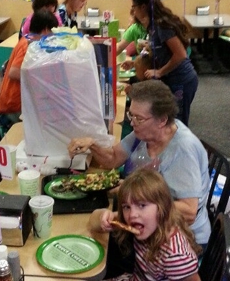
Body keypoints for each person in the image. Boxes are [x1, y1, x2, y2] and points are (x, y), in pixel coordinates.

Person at [68, 80, 211, 249]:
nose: (133, 122)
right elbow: (113, 158)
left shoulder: (182, 150)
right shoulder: (145, 132)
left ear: (162, 120)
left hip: (180, 239)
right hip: (148, 222)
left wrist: (131, 206)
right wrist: (92, 144)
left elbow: (189, 211)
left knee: (92, 239)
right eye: (131, 115)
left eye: (139, 118)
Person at [89, 169, 201, 281]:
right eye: (126, 207)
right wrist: (103, 217)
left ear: (162, 207)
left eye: (142, 205)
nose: (132, 214)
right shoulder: (141, 221)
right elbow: (92, 222)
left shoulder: (176, 256)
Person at [120, 0, 198, 125]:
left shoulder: (161, 25)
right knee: (167, 120)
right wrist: (134, 64)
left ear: (143, 7)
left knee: (177, 123)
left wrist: (160, 72)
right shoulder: (152, 25)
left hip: (182, 79)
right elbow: (157, 50)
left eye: (134, 7)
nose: (134, 11)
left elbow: (181, 54)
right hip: (171, 78)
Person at [0, 10, 59, 131]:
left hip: (16, 102)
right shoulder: (27, 46)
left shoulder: (29, 39)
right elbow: (13, 72)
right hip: (12, 107)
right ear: (46, 29)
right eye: (53, 31)